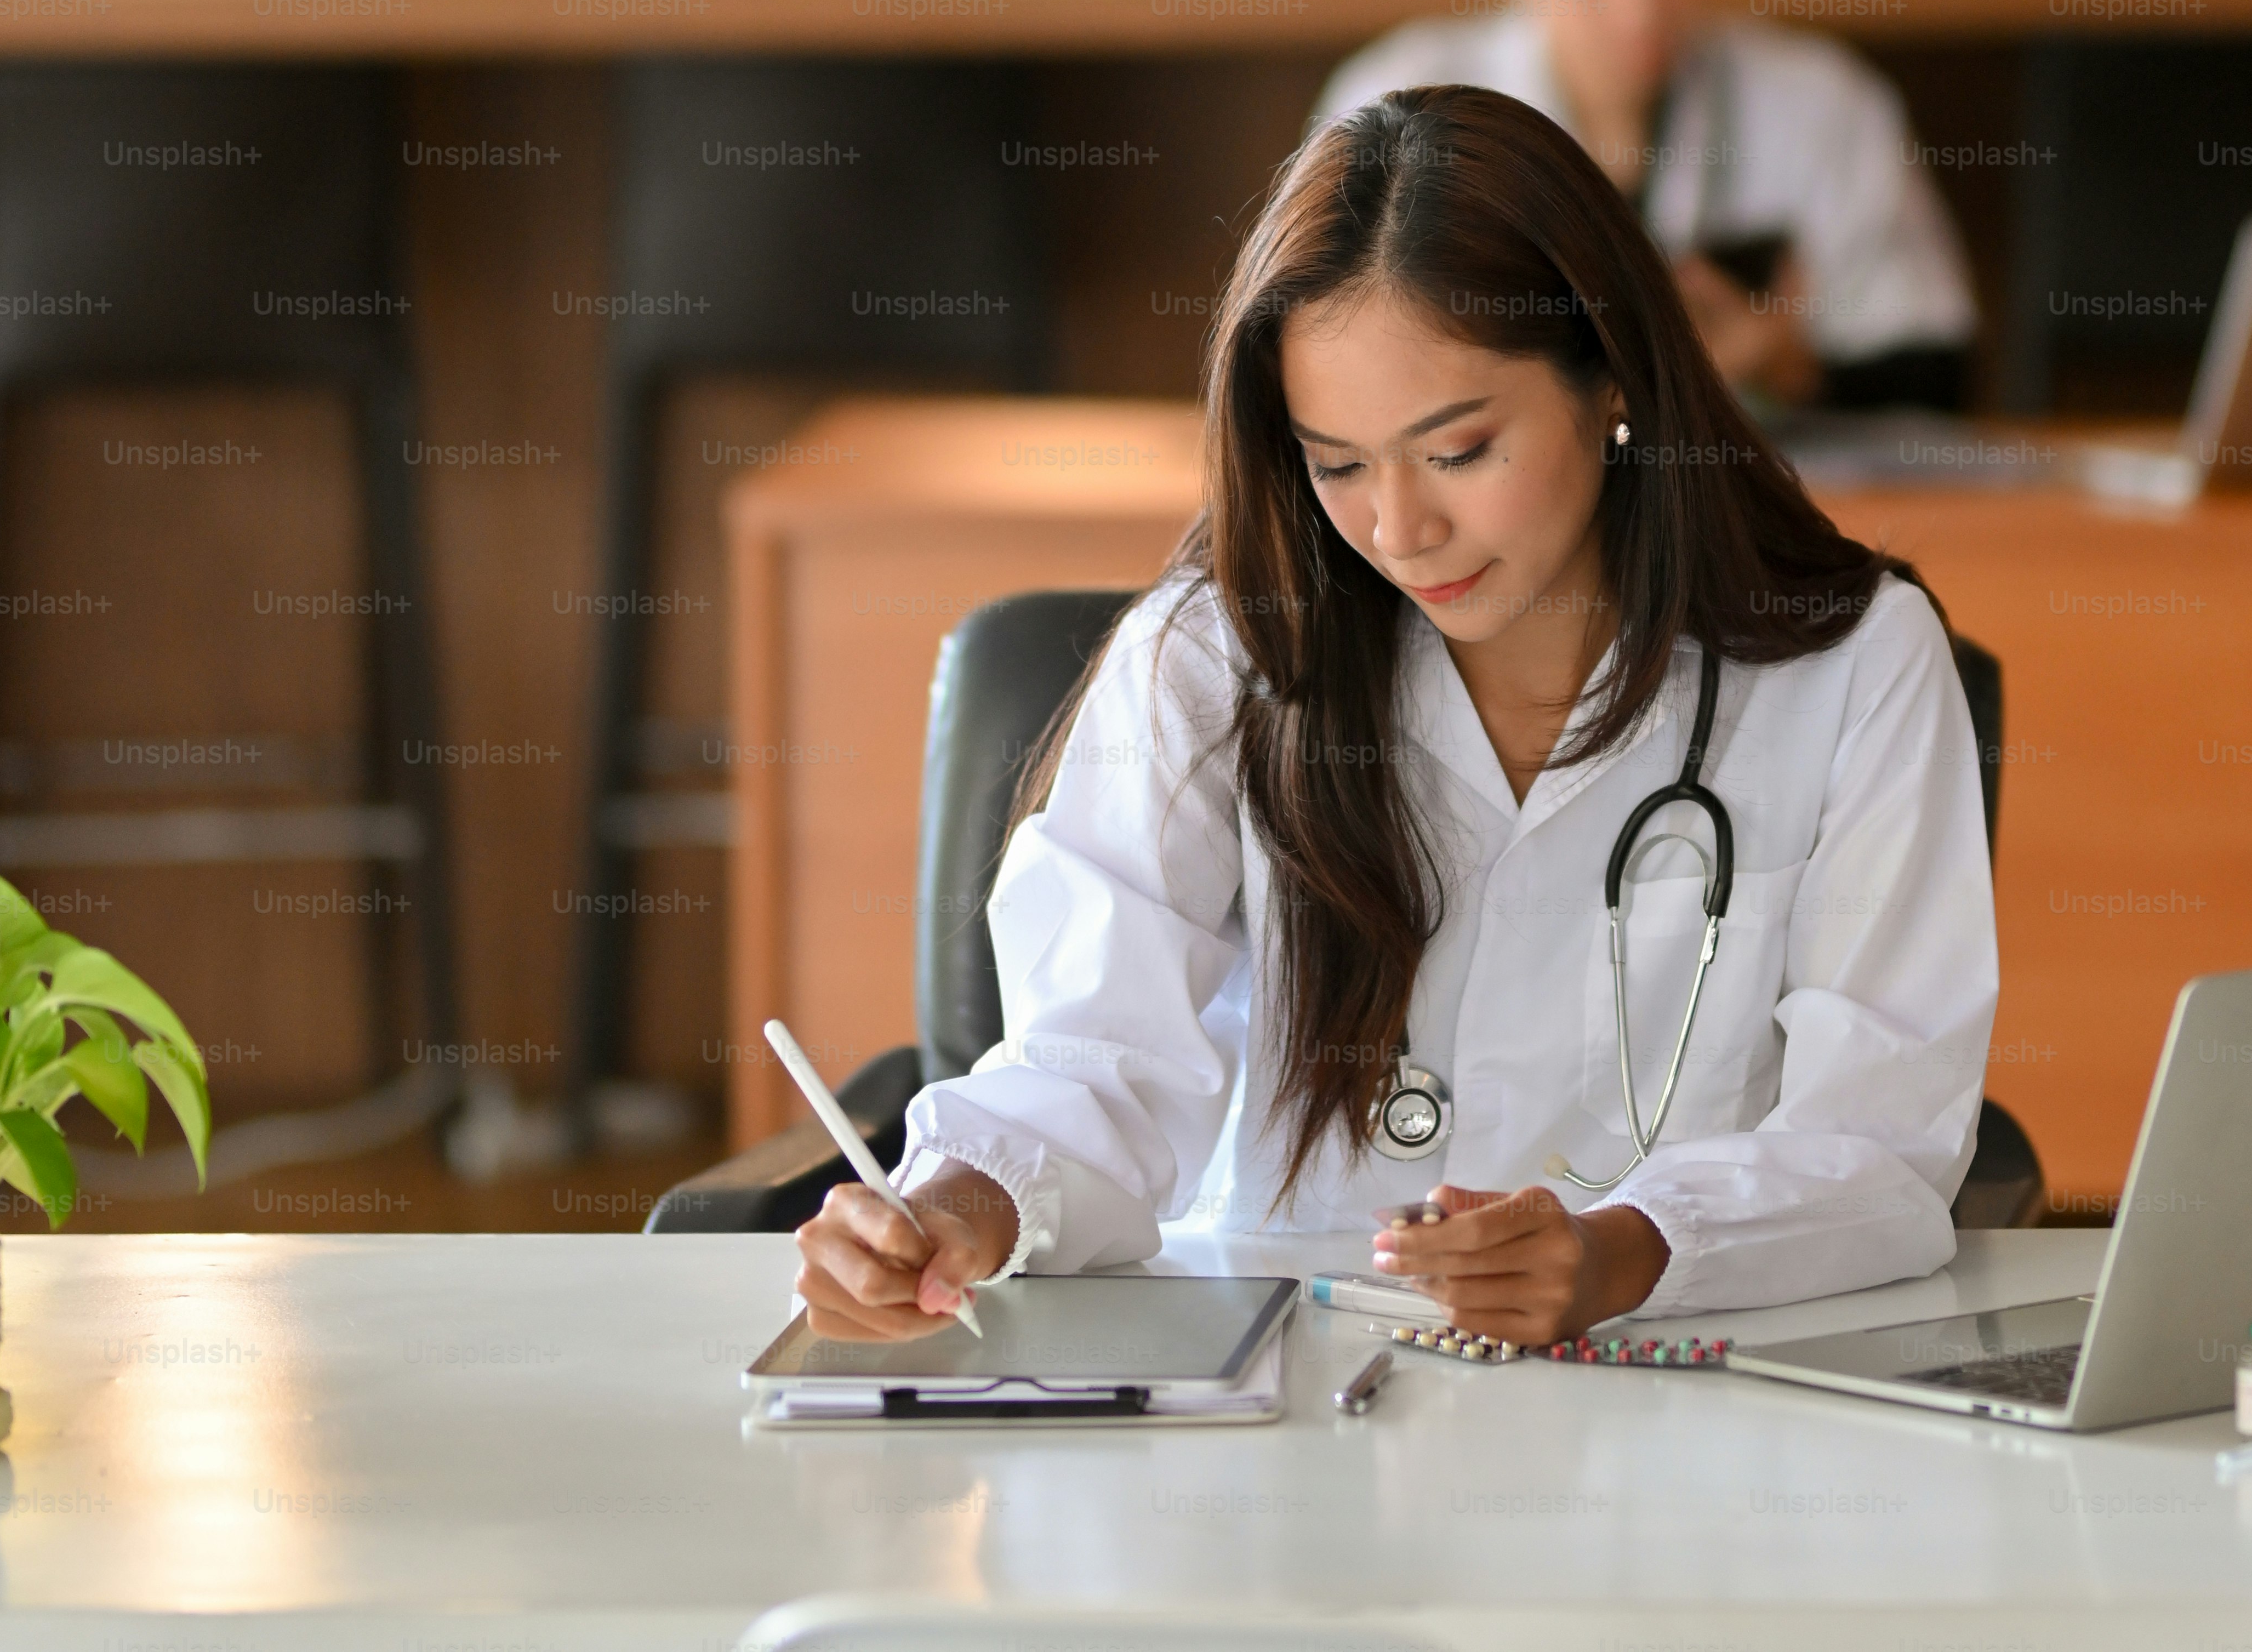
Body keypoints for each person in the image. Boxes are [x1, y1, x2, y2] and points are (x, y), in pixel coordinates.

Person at [795, 86, 1998, 1349]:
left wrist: (1624, 1251)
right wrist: (953, 1207)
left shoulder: (1856, 662)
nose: (1399, 530)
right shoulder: (1217, 651)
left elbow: (1876, 1134)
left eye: (1461, 448)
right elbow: (1095, 1061)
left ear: (1612, 385)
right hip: (1281, 1386)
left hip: (1677, 1387)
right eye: (1339, 464)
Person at [1313, 0, 1980, 412]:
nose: (1641, 0)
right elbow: (1329, 357)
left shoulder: (1821, 101)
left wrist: (1788, 365)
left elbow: (1936, 371)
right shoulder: (1395, 104)